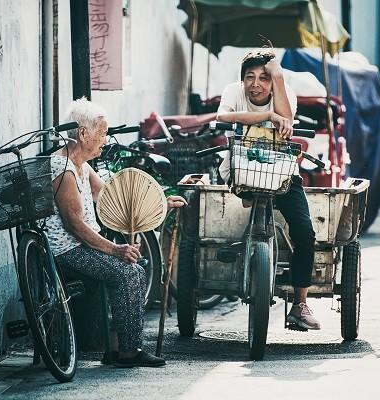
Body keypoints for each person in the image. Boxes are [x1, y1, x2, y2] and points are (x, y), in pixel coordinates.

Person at [47, 97, 187, 367]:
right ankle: (128, 351)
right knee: (129, 270)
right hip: (67, 250)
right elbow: (74, 225)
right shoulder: (62, 169)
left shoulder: (82, 166)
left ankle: (117, 345)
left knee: (137, 265)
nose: (105, 138)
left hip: (82, 247)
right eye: (102, 132)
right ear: (83, 133)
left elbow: (113, 196)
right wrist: (115, 249)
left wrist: (160, 203)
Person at [216, 49, 320, 330]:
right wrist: (267, 117)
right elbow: (223, 116)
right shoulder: (233, 92)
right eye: (250, 77)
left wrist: (279, 79)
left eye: (264, 77)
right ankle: (249, 199)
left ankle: (300, 304)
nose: (256, 83)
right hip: (241, 171)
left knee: (304, 233)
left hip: (282, 173)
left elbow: (286, 117)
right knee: (240, 183)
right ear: (242, 80)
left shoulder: (284, 92)